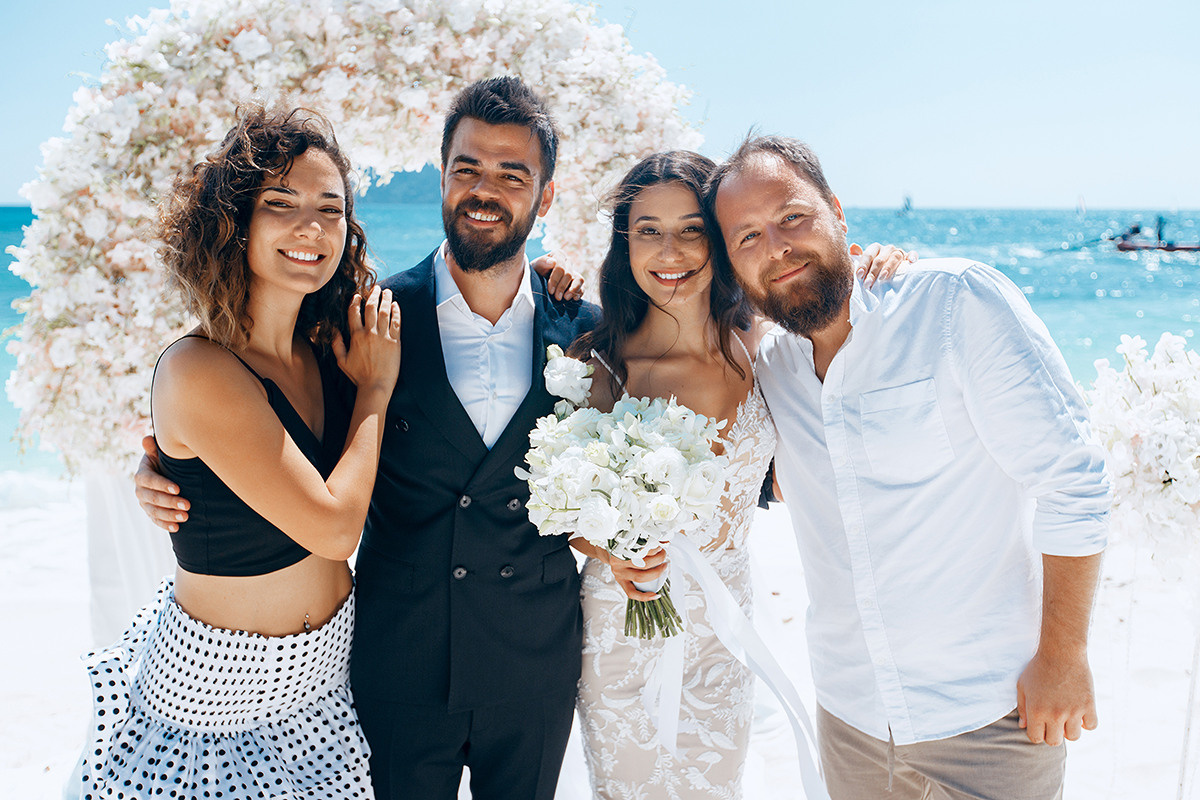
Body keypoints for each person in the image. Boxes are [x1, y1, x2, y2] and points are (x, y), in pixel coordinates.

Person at [136, 77, 599, 800]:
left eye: (514, 175)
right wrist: (160, 469)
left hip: (525, 661)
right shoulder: (367, 322)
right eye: (467, 169)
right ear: (440, 177)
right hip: (387, 660)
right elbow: (268, 447)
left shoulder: (586, 330)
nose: (486, 190)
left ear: (545, 197)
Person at [706, 135, 1110, 800]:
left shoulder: (954, 306)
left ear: (838, 213)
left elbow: (1075, 480)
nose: (775, 247)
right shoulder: (772, 372)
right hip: (849, 721)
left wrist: (1063, 660)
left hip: (990, 718)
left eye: (791, 217)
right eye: (747, 238)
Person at [566, 151, 909, 799]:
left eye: (691, 228)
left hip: (725, 633)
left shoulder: (757, 340)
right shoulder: (599, 363)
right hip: (626, 631)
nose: (670, 250)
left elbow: (835, 313)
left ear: (720, 242)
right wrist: (611, 551)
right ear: (625, 244)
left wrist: (881, 269)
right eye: (648, 230)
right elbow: (568, 512)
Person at [81, 107, 402, 799]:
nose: (311, 229)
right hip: (211, 702)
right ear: (234, 222)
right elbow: (333, 526)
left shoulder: (326, 348)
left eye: (331, 209)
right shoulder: (201, 369)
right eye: (280, 204)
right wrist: (376, 390)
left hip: (324, 685)